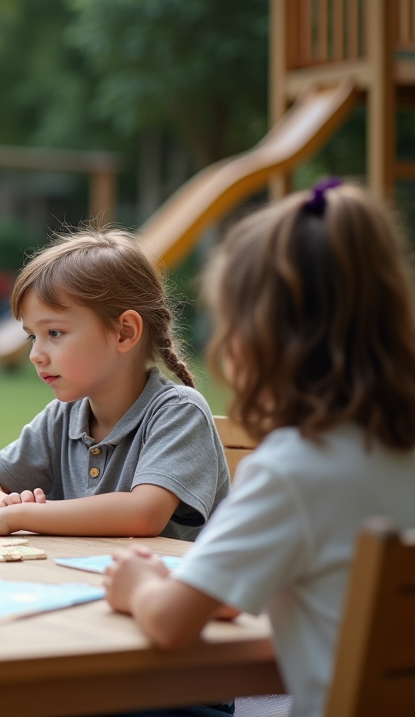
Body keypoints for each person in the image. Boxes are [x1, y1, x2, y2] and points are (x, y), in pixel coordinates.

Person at [104, 181, 415, 717]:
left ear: (256, 340)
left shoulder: (292, 469)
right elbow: (231, 593)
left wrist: (139, 587)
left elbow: (171, 623)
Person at [0, 228, 229, 540]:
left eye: (54, 333)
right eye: (31, 336)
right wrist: (4, 505)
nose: (36, 355)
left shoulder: (179, 412)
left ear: (124, 333)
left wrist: (18, 515)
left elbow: (143, 514)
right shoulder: (62, 418)